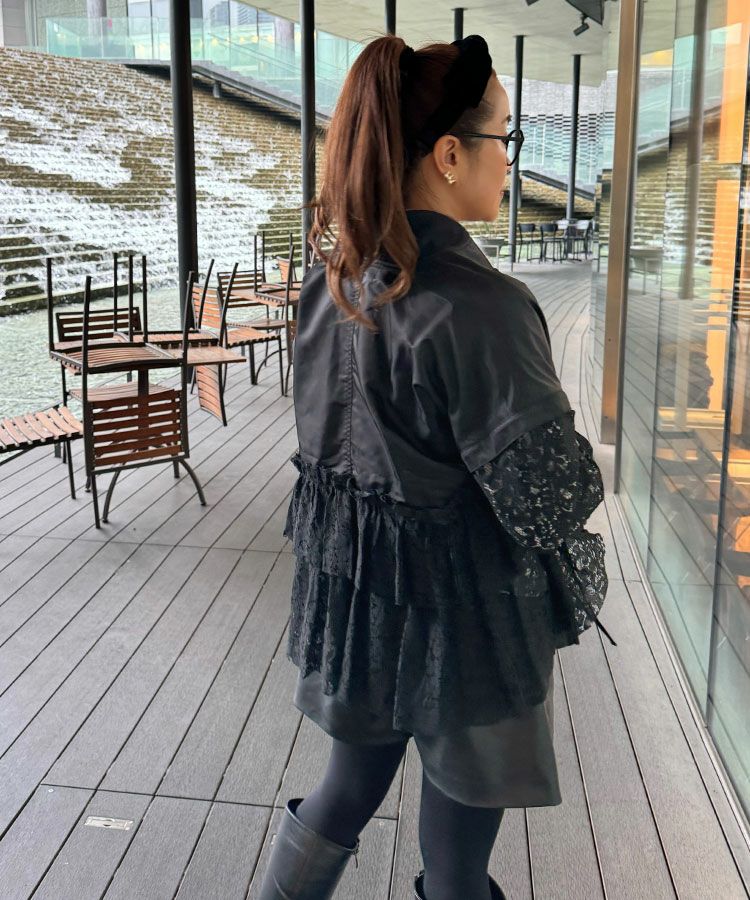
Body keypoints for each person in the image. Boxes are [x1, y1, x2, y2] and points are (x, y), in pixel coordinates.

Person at [257, 32, 613, 900]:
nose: (509, 159)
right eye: (504, 138)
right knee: (456, 868)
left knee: (344, 791)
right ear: (451, 155)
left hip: (359, 597)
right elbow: (548, 498)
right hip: (465, 617)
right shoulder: (480, 304)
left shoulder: (332, 283)